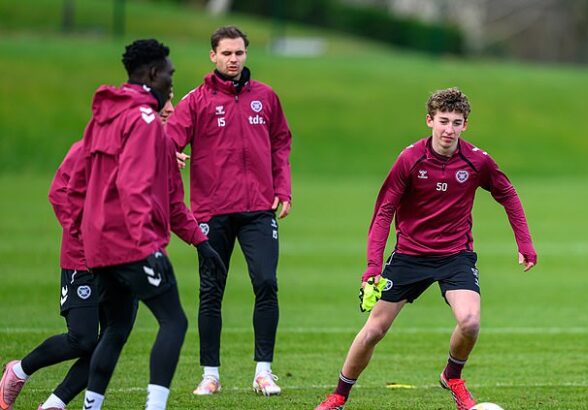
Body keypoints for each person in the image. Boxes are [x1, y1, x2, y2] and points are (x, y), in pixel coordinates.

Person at [314, 87, 537, 410]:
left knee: (470, 322)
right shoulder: (410, 159)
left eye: (456, 123)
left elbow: (508, 194)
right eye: (443, 121)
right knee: (374, 330)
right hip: (409, 256)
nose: (449, 129)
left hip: (455, 256)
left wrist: (525, 242)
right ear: (430, 121)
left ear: (465, 125)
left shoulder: (477, 161)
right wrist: (373, 267)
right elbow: (384, 212)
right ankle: (338, 395)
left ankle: (452, 376)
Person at [66, 39, 225, 410]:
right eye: (169, 73)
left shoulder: (104, 115)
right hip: (131, 245)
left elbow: (78, 185)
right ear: (153, 73)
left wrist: (201, 242)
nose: (171, 82)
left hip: (99, 247)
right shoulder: (147, 120)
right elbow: (135, 187)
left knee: (116, 328)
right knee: (174, 322)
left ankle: (90, 406)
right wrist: (146, 246)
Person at [166, 25, 292, 396]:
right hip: (212, 210)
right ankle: (210, 375)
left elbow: (281, 142)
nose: (233, 59)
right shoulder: (196, 100)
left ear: (245, 54)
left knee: (266, 282)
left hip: (258, 209)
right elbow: (169, 139)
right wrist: (170, 153)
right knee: (211, 291)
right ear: (213, 56)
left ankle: (263, 372)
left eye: (239, 53)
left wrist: (282, 187)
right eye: (226, 53)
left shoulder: (265, 97)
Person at [0, 141, 96, 410]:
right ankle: (19, 371)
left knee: (114, 338)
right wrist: (87, 235)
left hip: (124, 262)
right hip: (84, 260)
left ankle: (55, 403)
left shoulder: (148, 150)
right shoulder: (89, 147)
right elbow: (59, 191)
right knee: (83, 339)